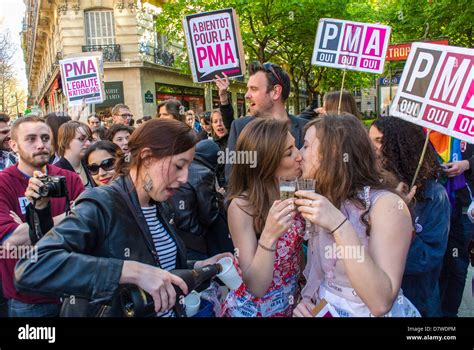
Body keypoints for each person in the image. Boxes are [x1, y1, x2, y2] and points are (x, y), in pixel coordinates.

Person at [14, 119, 231, 317]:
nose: (184, 178)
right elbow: (33, 267)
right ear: (146, 158)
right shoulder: (102, 202)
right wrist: (127, 271)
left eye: (188, 167)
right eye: (178, 166)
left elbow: (156, 266)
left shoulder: (159, 204)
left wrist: (201, 265)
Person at [293, 114, 420, 317]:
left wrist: (338, 225)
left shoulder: (386, 206)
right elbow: (321, 273)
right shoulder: (329, 197)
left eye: (306, 146)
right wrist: (307, 302)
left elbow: (380, 302)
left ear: (331, 153)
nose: (299, 155)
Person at [0, 116, 84, 317]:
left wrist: (29, 225)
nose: (41, 145)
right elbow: (9, 244)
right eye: (31, 139)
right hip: (30, 300)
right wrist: (69, 215)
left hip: (73, 291)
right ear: (14, 145)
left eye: (45, 138)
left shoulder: (69, 178)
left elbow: (87, 228)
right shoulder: (3, 184)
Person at [222, 118, 304, 317]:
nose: (299, 156)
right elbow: (255, 285)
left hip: (292, 303)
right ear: (266, 163)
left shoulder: (295, 190)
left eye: (297, 146)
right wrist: (268, 236)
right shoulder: (242, 207)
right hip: (254, 310)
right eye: (289, 152)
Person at [369, 117, 450, 317]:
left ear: (399, 147)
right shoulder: (370, 186)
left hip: (416, 302)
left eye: (378, 141)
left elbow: (427, 258)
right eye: (369, 141)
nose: (372, 149)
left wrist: (401, 219)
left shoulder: (435, 196)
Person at [223, 62, 309, 183]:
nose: (247, 95)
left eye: (253, 89)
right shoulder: (240, 127)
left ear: (276, 92)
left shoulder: (307, 128)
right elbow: (232, 180)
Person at [167, 139, 233, 260]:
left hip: (176, 234)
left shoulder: (180, 167)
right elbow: (209, 214)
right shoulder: (203, 173)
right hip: (196, 237)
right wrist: (219, 197)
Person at [438, 137, 474, 317]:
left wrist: (467, 164)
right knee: (439, 263)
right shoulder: (434, 125)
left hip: (466, 208)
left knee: (457, 265)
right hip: (437, 203)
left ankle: (449, 314)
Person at [55, 121, 95, 188]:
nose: (88, 143)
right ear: (65, 141)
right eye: (81, 139)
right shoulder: (56, 172)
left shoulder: (90, 165)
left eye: (90, 139)